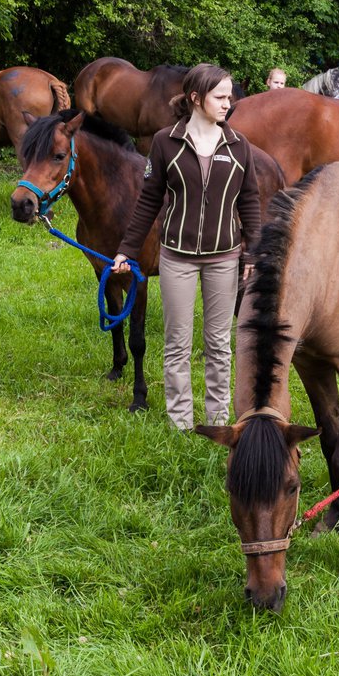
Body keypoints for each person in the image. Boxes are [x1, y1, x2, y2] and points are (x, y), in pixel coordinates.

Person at [111, 63, 264, 431]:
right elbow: (148, 201)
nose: (229, 103)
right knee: (177, 343)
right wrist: (126, 251)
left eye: (230, 97)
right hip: (176, 258)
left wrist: (252, 252)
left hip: (224, 258)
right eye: (221, 97)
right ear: (197, 98)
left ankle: (217, 420)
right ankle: (180, 422)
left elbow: (250, 202)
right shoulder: (165, 142)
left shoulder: (239, 146)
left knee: (219, 344)